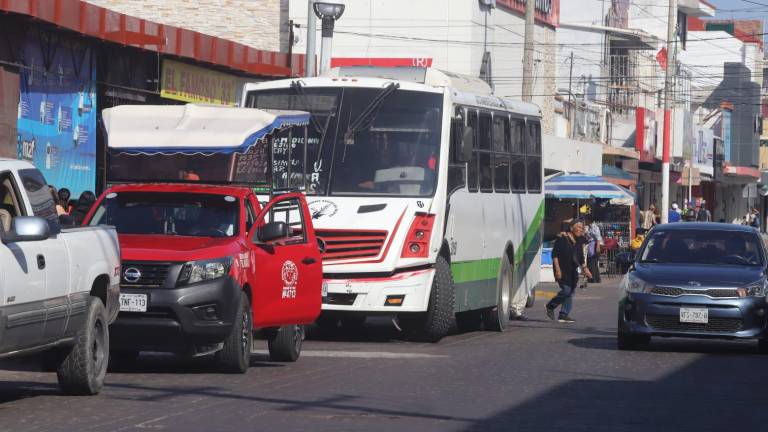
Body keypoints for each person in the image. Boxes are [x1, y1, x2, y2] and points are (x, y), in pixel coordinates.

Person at [546, 219, 591, 323]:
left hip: (572, 270)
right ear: (571, 228)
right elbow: (555, 255)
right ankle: (550, 306)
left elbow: (580, 257)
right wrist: (557, 270)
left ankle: (563, 314)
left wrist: (585, 268)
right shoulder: (562, 239)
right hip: (562, 270)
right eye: (579, 227)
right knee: (566, 290)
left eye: (582, 228)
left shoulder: (580, 240)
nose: (581, 229)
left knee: (571, 292)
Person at [584, 215, 603, 283]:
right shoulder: (588, 227)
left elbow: (598, 237)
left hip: (595, 245)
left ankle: (593, 278)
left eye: (586, 220)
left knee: (592, 262)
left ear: (589, 220)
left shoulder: (594, 227)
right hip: (591, 245)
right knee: (592, 262)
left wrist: (597, 247)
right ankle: (596, 278)